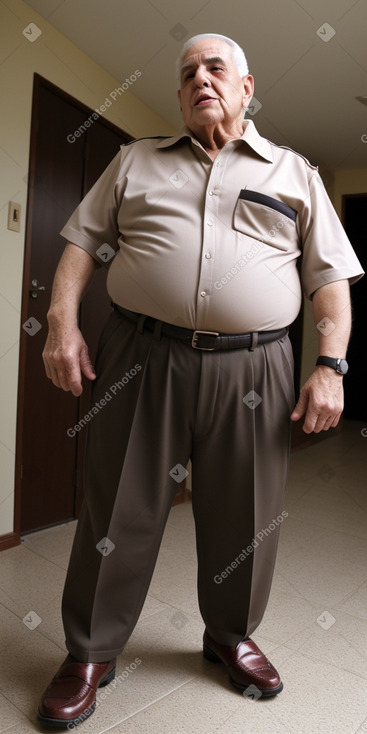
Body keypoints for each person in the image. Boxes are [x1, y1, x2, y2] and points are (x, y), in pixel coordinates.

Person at [38, 32, 363, 728]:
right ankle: (90, 651)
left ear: (247, 88)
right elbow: (80, 244)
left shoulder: (294, 172)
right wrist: (60, 325)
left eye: (215, 68)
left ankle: (229, 635)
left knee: (244, 512)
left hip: (256, 364)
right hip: (139, 355)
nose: (199, 79)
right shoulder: (134, 162)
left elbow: (329, 283)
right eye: (186, 72)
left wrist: (330, 367)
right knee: (116, 508)